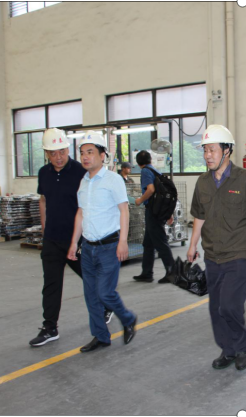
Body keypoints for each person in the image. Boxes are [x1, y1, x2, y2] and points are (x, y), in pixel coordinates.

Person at [187, 124, 246, 371]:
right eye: (205, 150)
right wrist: (192, 244)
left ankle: (243, 344)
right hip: (212, 253)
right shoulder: (203, 182)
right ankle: (228, 349)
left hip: (238, 253)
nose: (207, 155)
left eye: (212, 150)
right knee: (216, 308)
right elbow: (199, 216)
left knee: (229, 306)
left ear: (227, 150)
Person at [29, 128, 113, 347]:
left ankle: (106, 306)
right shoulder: (44, 173)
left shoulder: (80, 172)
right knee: (51, 284)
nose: (58, 157)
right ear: (46, 153)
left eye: (62, 151)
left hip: (77, 240)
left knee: (91, 279)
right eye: (53, 153)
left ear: (68, 149)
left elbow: (90, 205)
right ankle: (50, 327)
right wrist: (45, 231)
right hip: (52, 239)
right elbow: (43, 201)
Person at [67, 131, 137, 353]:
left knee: (105, 292)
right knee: (91, 296)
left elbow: (124, 210)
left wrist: (123, 241)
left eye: (90, 152)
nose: (85, 157)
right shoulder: (84, 182)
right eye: (82, 153)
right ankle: (101, 336)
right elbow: (80, 213)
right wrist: (74, 243)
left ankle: (128, 318)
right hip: (88, 248)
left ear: (102, 155)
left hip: (109, 247)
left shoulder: (113, 180)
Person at [132, 150, 175, 284]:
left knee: (160, 242)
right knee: (148, 243)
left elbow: (151, 189)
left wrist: (139, 200)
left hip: (153, 211)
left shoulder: (145, 171)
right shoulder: (156, 171)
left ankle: (172, 272)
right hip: (159, 210)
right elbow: (164, 193)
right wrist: (168, 212)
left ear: (138, 162)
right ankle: (147, 273)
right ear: (150, 160)